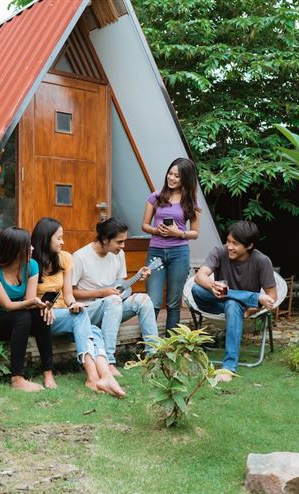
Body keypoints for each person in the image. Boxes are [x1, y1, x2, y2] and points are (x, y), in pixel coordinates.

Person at [31, 217, 125, 398]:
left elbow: (68, 295)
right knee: (84, 319)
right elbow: (28, 297)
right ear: (45, 238)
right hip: (43, 316)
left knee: (92, 327)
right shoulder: (31, 263)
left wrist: (73, 304)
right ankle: (94, 377)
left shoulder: (65, 258)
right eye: (58, 238)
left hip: (63, 315)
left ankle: (104, 376)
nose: (62, 242)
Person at [191, 221, 277, 381]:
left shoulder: (262, 261)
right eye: (228, 241)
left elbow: (272, 296)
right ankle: (251, 297)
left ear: (249, 245)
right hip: (214, 302)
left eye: (235, 244)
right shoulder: (219, 251)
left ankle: (228, 367)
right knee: (196, 289)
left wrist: (254, 309)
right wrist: (211, 285)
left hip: (240, 309)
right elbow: (199, 276)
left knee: (232, 303)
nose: (229, 246)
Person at [72, 218, 159, 375]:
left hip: (112, 307)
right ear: (105, 240)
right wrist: (100, 293)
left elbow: (120, 286)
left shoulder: (118, 255)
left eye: (124, 241)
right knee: (113, 300)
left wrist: (138, 277)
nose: (123, 246)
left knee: (143, 300)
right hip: (87, 312)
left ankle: (153, 357)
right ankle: (108, 361)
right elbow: (71, 293)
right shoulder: (80, 257)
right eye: (119, 242)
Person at [0, 227, 56, 392]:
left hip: (18, 318)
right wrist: (32, 303)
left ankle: (48, 372)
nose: (32, 249)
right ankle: (17, 378)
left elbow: (29, 300)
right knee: (23, 316)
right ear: (14, 249)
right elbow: (7, 305)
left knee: (40, 314)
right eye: (28, 246)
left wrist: (44, 306)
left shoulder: (31, 265)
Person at [142, 158, 202, 331]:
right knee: (152, 301)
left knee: (173, 303)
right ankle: (149, 346)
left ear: (186, 178)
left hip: (179, 254)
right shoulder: (156, 196)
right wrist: (156, 231)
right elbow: (144, 225)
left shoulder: (192, 202)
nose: (172, 178)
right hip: (156, 252)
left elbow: (195, 233)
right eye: (170, 173)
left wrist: (179, 233)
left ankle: (171, 347)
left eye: (177, 176)